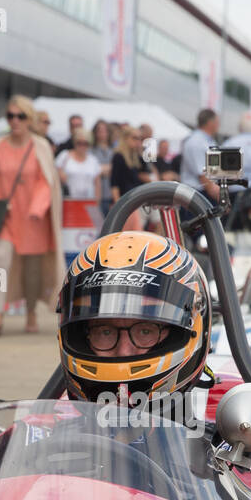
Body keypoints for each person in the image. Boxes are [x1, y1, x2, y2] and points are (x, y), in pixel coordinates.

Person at [56, 230, 210, 406]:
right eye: (105, 332)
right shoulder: (52, 420)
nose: (124, 351)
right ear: (80, 335)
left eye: (145, 331)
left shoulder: (228, 420)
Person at [0, 94, 64, 337]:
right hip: (5, 218)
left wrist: (37, 208)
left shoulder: (40, 147)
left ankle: (31, 312)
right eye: (11, 116)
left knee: (32, 269)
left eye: (20, 116)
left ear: (29, 119)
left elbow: (47, 182)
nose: (15, 121)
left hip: (33, 220)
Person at [110, 125, 154, 220]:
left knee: (157, 220)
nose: (138, 141)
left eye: (139, 138)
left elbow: (145, 173)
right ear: (125, 138)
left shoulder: (137, 157)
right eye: (135, 138)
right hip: (126, 200)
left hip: (138, 199)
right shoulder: (119, 156)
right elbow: (114, 183)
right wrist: (118, 206)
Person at [179, 108, 222, 202]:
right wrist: (220, 198)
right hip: (197, 194)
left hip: (202, 192)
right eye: (217, 122)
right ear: (210, 123)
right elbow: (203, 175)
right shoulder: (196, 142)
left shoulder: (207, 141)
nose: (219, 125)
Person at [55, 128, 101, 199]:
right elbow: (54, 175)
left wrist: (96, 203)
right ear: (74, 142)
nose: (82, 146)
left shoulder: (93, 160)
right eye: (79, 143)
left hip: (87, 201)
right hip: (67, 200)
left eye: (85, 143)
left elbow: (97, 184)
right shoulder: (64, 156)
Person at [91, 119, 115, 214]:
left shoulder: (113, 151)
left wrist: (102, 168)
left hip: (111, 195)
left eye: (105, 131)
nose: (102, 133)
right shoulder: (91, 151)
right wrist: (107, 168)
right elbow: (94, 170)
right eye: (100, 131)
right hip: (97, 195)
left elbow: (115, 170)